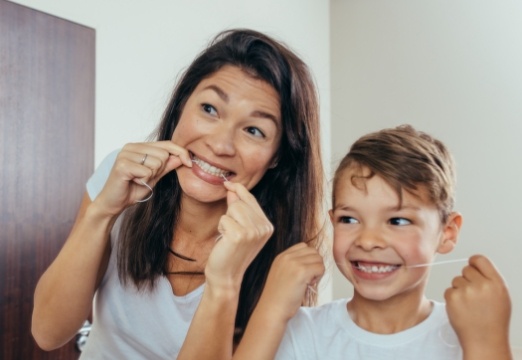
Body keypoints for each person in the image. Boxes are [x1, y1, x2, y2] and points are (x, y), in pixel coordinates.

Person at [31, 28, 326, 359]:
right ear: (182, 106)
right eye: (210, 109)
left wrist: (225, 281)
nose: (220, 144)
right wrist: (102, 213)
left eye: (253, 130)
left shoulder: (281, 261)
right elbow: (48, 331)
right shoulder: (122, 174)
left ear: (277, 157)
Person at [234, 124, 513, 360]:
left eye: (398, 221)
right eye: (349, 219)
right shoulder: (302, 332)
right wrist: (271, 310)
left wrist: (487, 343)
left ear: (448, 232)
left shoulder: (471, 334)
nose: (367, 241)